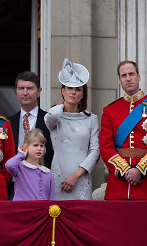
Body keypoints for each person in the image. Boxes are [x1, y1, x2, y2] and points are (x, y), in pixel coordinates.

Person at [45, 58, 100, 200]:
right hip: (58, 177)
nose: (73, 92)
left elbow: (95, 151)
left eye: (78, 89)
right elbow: (50, 117)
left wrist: (76, 175)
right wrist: (62, 105)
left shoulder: (91, 119)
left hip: (81, 178)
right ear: (63, 91)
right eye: (69, 88)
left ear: (82, 94)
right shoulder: (55, 116)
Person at [100, 60, 147, 199]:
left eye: (131, 74)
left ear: (139, 76)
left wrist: (140, 170)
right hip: (118, 185)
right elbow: (105, 146)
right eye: (123, 75)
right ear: (119, 80)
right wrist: (125, 170)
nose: (128, 78)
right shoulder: (110, 110)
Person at [8, 71, 54, 199]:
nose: (25, 92)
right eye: (21, 88)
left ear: (39, 91)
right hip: (13, 186)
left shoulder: (49, 120)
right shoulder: (8, 122)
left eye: (30, 88)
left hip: (39, 186)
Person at [5, 129, 54, 200]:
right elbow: (9, 165)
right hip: (23, 209)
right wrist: (21, 155)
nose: (39, 148)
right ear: (25, 147)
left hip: (42, 210)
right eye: (35, 145)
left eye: (42, 146)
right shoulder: (20, 167)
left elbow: (51, 198)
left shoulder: (47, 172)